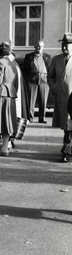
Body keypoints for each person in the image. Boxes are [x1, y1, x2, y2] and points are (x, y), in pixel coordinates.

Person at [47, 33, 72, 162]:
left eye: (66, 45)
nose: (64, 48)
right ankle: (67, 148)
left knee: (69, 125)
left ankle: (67, 150)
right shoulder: (56, 59)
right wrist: (54, 88)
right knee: (66, 125)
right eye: (62, 45)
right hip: (62, 98)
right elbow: (50, 76)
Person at [21, 40, 52, 123]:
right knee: (31, 100)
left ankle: (42, 118)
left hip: (44, 80)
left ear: (43, 47)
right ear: (34, 47)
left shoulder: (47, 57)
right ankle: (30, 118)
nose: (39, 48)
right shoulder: (29, 57)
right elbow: (24, 70)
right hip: (32, 81)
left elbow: (50, 69)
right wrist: (28, 79)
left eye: (41, 46)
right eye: (37, 46)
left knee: (43, 100)